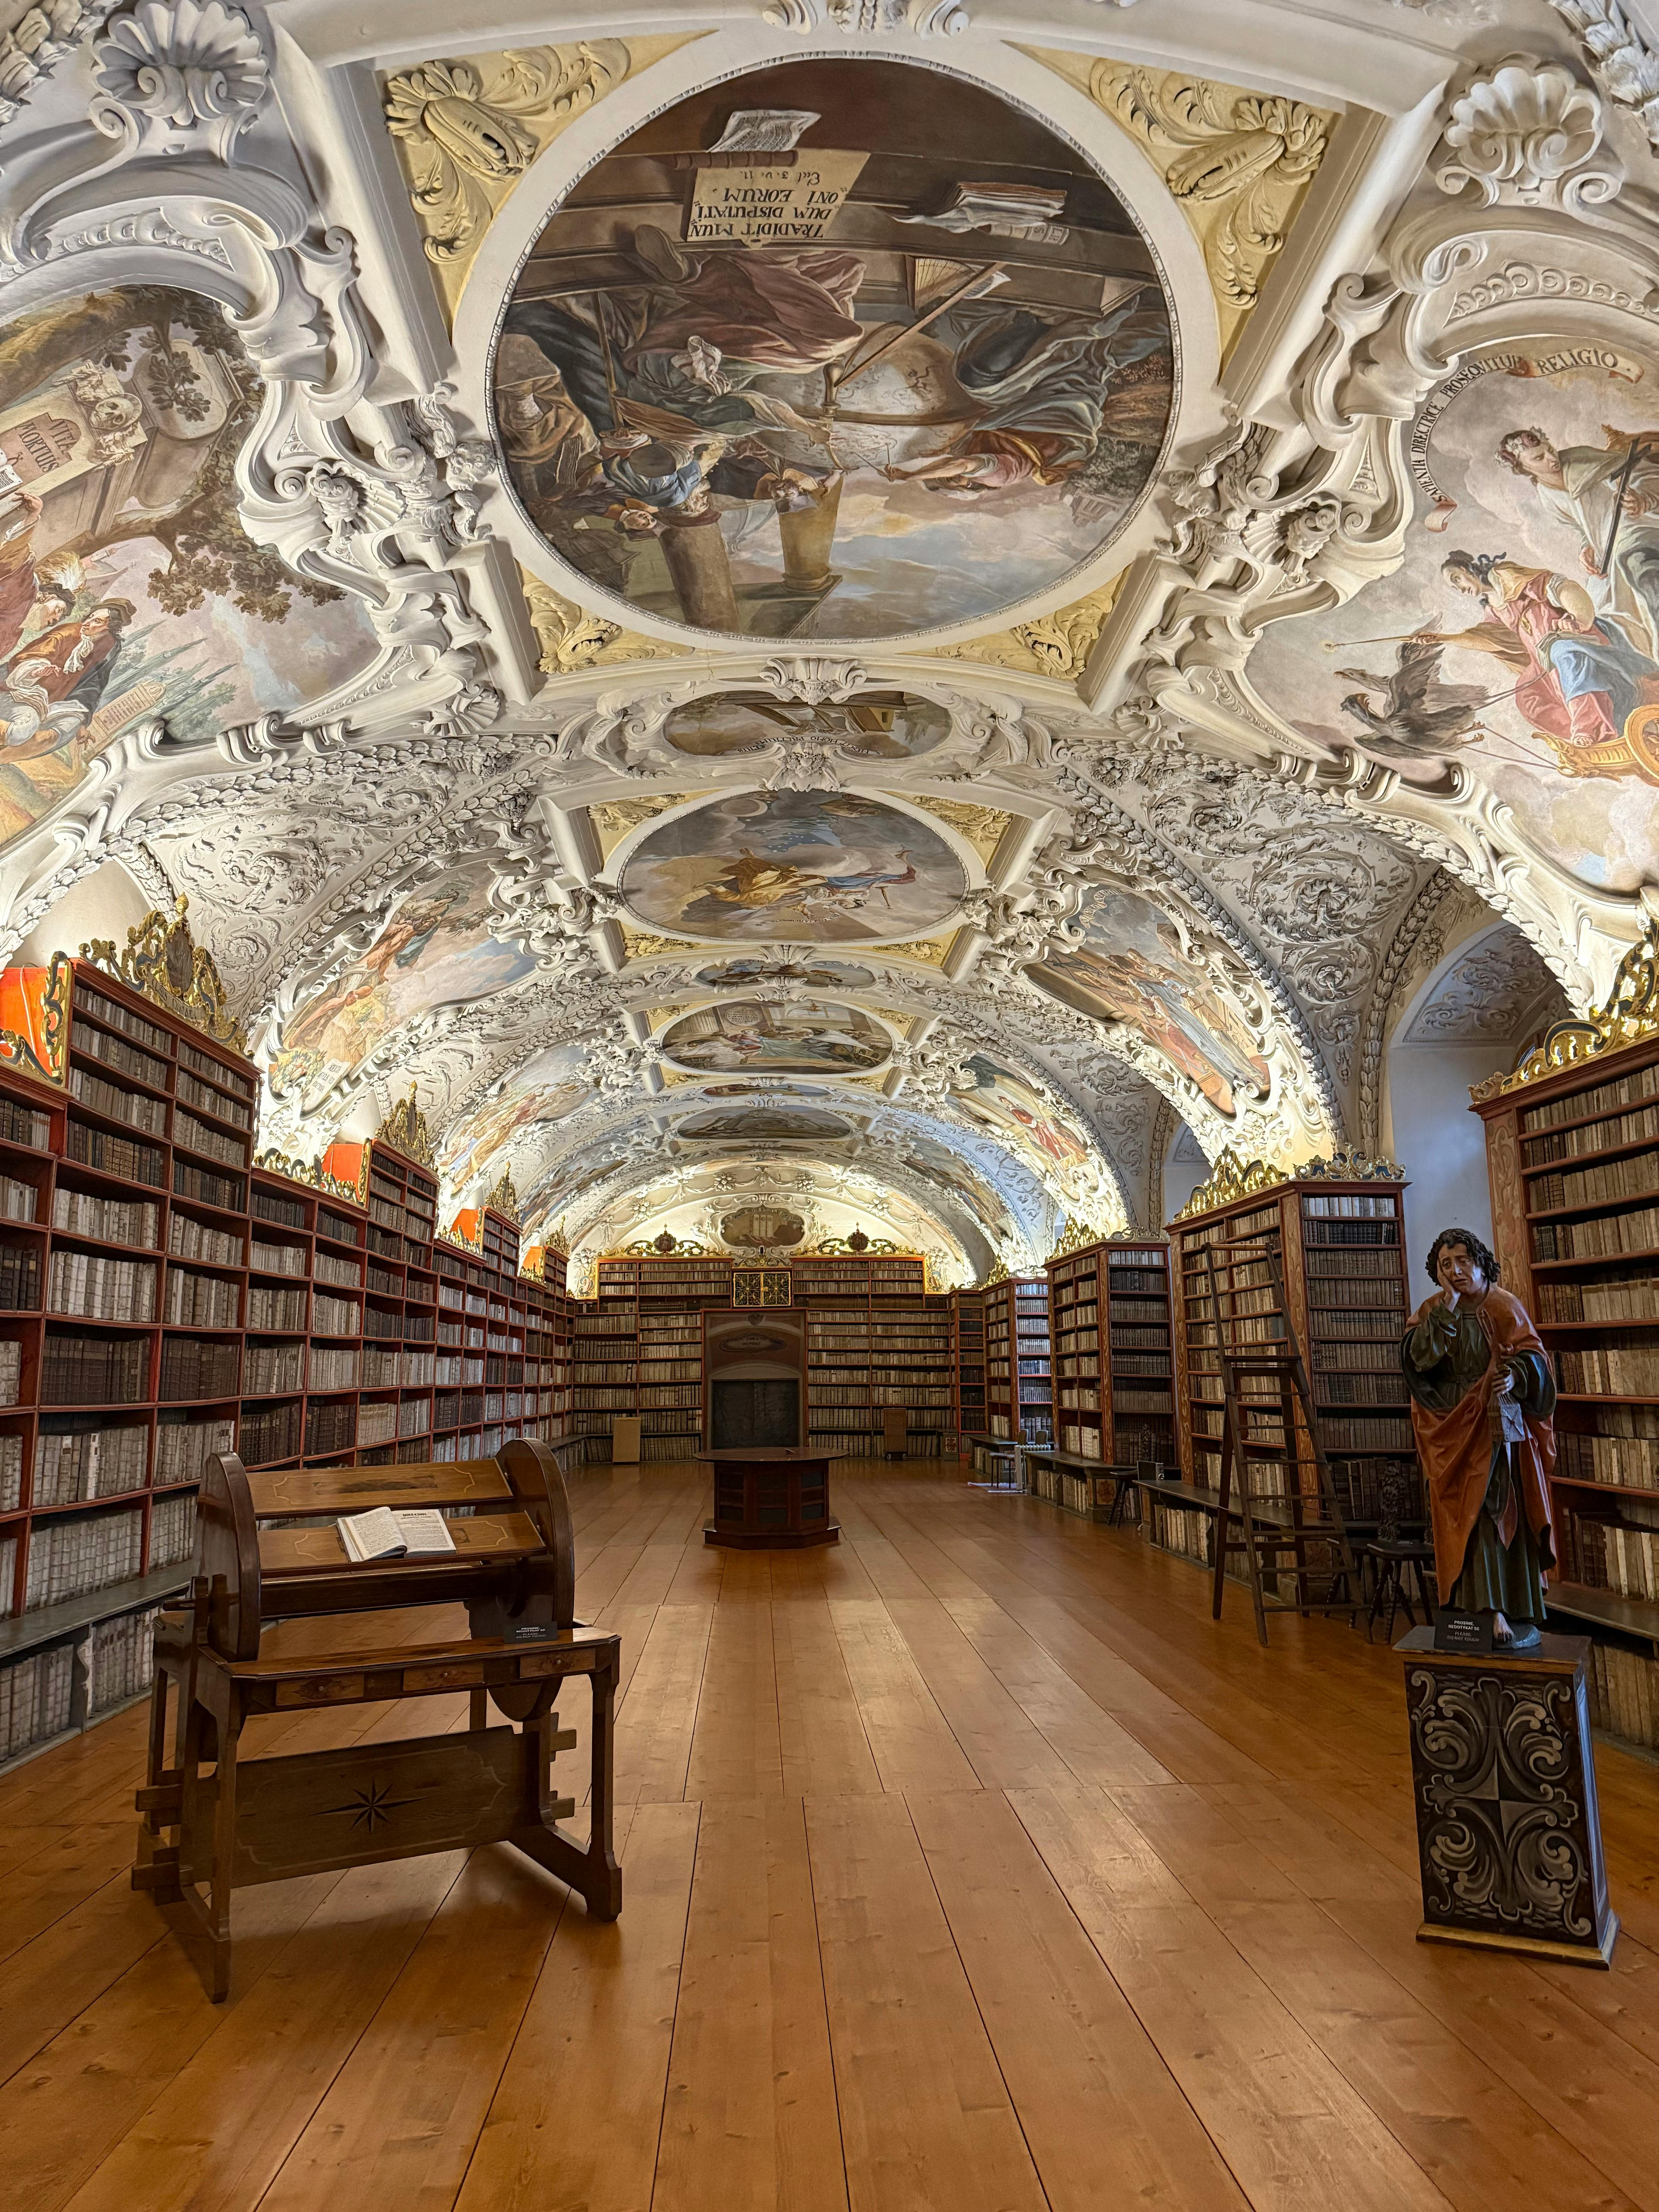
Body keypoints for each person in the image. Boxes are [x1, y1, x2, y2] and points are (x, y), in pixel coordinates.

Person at [1400, 1227, 1556, 1651]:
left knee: (1495, 1512)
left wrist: (1516, 1375)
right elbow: (1418, 1361)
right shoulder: (1433, 1309)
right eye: (1445, 1266)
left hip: (1496, 1425)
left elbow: (1535, 1361)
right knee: (1462, 1518)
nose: (1455, 1272)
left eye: (1462, 1262)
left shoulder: (1504, 1305)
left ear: (1480, 1262)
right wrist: (1447, 1312)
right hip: (1452, 1427)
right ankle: (1479, 1610)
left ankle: (1508, 1608)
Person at [1420, 550, 1659, 754]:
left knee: (1564, 653)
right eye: (1454, 587)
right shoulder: (1493, 606)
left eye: (1457, 579)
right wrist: (1442, 638)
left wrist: (1577, 619)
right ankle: (1605, 736)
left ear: (1467, 568)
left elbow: (1560, 586)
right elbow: (1487, 639)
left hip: (1572, 638)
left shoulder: (1508, 577)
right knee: (1528, 697)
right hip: (1544, 660)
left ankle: (1590, 727)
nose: (1460, 589)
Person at [1497, 423, 1659, 661]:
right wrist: (1587, 547)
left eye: (1550, 449)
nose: (1552, 459)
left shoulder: (1583, 458)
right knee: (1599, 604)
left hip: (1641, 524)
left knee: (1636, 562)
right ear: (1524, 468)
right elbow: (1581, 526)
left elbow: (1644, 472)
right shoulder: (1547, 495)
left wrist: (1643, 499)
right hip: (1608, 546)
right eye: (1540, 458)